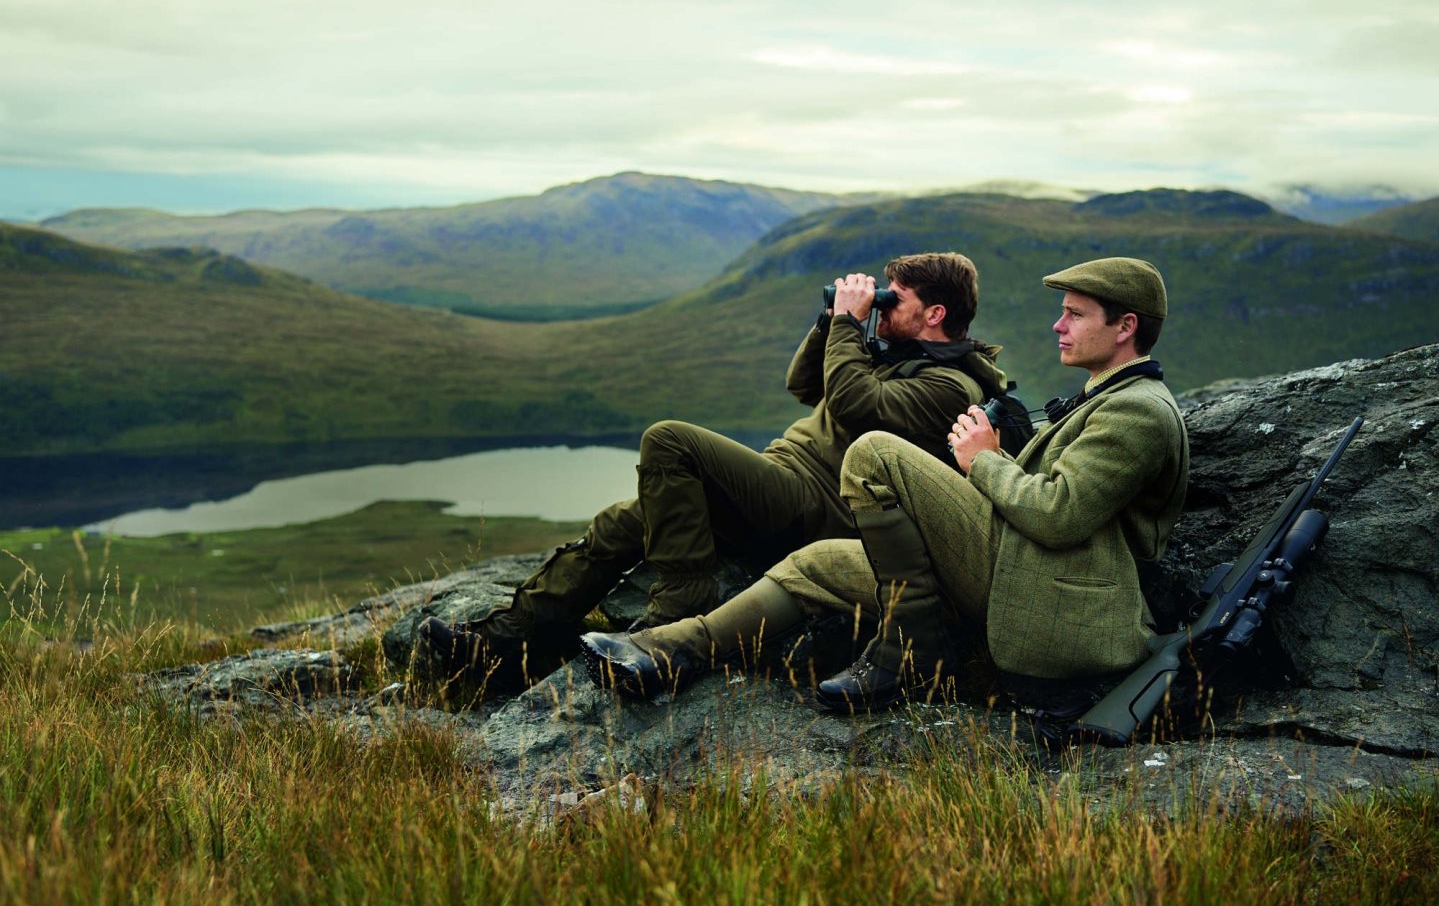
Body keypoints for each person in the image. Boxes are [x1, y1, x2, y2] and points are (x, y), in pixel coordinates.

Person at [579, 257, 1190, 712]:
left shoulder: (1137, 410)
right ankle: (671, 651)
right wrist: (991, 459)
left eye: (1075, 314)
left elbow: (1058, 514)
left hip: (1049, 599)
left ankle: (911, 652)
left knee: (874, 453)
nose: (1058, 325)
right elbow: (807, 385)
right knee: (817, 561)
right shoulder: (1105, 395)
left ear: (1125, 326)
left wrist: (984, 463)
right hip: (1017, 567)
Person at [421, 252, 1015, 692]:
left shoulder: (950, 386)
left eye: (895, 299)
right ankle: (508, 644)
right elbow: (803, 384)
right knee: (624, 523)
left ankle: (676, 611)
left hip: (819, 510)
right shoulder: (892, 355)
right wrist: (828, 320)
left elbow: (856, 404)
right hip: (780, 483)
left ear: (935, 313)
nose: (881, 304)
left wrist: (847, 325)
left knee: (669, 440)